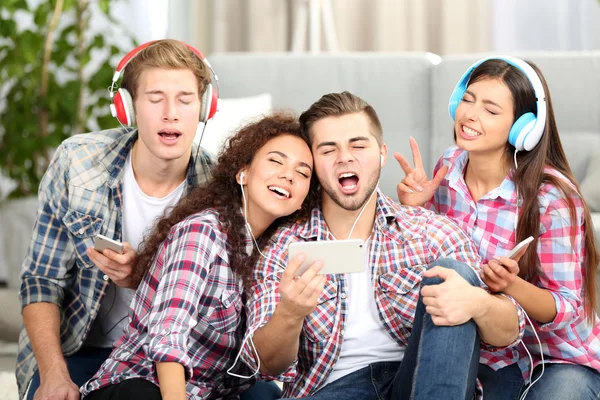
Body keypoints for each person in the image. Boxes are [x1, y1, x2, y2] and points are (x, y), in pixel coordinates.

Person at [15, 39, 275, 400]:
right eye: (155, 98)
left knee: (267, 395)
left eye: (185, 99)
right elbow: (42, 280)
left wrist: (143, 278)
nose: (171, 112)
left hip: (173, 353)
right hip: (77, 349)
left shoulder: (219, 185)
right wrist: (54, 373)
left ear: (203, 108)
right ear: (127, 107)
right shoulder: (78, 163)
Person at [240, 91, 525, 399]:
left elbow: (508, 334)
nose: (345, 157)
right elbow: (265, 365)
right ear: (313, 165)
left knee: (452, 273)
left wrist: (477, 302)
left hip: (420, 383)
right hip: (334, 389)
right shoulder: (284, 248)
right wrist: (290, 313)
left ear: (382, 154)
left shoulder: (432, 232)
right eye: (328, 149)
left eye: (358, 145)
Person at [396, 56, 600, 399]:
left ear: (524, 127)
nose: (470, 115)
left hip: (555, 356)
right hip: (490, 351)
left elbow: (566, 308)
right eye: (467, 100)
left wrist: (511, 285)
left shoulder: (553, 198)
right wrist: (414, 211)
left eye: (491, 109)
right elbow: (430, 263)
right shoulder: (448, 167)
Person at [79, 112, 318, 399]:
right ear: (243, 172)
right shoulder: (203, 232)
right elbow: (168, 333)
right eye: (276, 161)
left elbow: (267, 366)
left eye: (302, 173)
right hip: (142, 382)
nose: (288, 175)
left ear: (304, 198)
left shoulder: (278, 256)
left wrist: (292, 313)